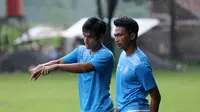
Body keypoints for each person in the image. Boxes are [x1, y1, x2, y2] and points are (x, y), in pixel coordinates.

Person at [30, 17, 115, 112]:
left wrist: (56, 67)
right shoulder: (81, 50)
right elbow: (59, 61)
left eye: (90, 37)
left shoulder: (105, 55)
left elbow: (84, 68)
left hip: (102, 109)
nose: (86, 40)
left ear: (100, 36)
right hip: (86, 109)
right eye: (84, 36)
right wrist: (42, 66)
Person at [113, 16, 161, 112]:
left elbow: (156, 97)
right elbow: (125, 92)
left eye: (120, 35)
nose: (116, 39)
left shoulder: (140, 64)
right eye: (115, 35)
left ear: (132, 36)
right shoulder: (123, 55)